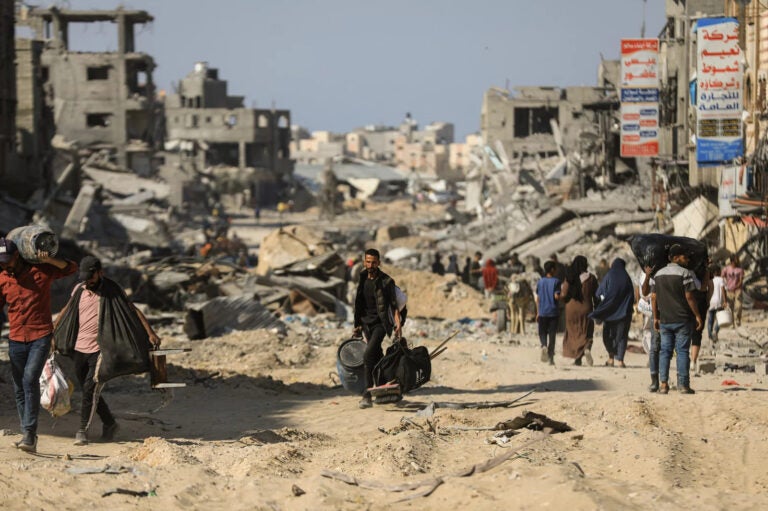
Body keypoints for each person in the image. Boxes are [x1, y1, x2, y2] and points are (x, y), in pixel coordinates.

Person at [56, 256, 161, 445]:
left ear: (100, 273)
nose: (87, 282)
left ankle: (82, 431)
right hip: (79, 349)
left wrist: (150, 333)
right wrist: (54, 329)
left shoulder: (112, 290)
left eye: (91, 277)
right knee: (90, 391)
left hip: (101, 348)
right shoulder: (79, 289)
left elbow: (133, 310)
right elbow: (67, 309)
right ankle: (110, 423)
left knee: (90, 388)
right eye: (84, 278)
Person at [0, 237, 77, 453]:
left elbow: (71, 268)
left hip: (40, 336)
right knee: (19, 388)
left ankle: (29, 434)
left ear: (17, 256)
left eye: (7, 260)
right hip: (16, 338)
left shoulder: (40, 271)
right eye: (1, 262)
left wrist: (50, 260)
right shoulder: (2, 278)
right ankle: (28, 434)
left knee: (29, 380)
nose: (4, 265)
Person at [353, 249, 402, 409]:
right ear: (364, 262)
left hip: (380, 324)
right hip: (365, 323)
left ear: (379, 263)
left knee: (368, 356)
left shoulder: (387, 281)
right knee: (376, 355)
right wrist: (357, 324)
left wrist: (398, 324)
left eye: (374, 262)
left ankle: (366, 396)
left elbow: (394, 306)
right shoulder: (361, 277)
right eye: (368, 262)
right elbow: (359, 302)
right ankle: (384, 389)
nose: (370, 265)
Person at [652, 244, 703, 394]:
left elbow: (653, 297)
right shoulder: (685, 274)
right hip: (682, 319)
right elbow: (689, 297)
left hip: (665, 320)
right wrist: (698, 315)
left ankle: (663, 384)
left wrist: (656, 317)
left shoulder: (658, 275)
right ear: (675, 258)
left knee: (665, 352)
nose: (687, 259)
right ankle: (683, 385)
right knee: (681, 351)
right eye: (684, 256)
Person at [589, 258, 634, 368]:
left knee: (607, 335)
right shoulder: (627, 277)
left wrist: (604, 303)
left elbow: (599, 293)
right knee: (622, 336)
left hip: (610, 312)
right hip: (624, 313)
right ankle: (620, 361)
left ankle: (610, 358)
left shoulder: (609, 275)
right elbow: (632, 296)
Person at [561, 256, 598, 366]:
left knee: (573, 333)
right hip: (586, 308)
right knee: (586, 332)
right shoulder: (591, 278)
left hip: (571, 309)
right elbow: (596, 296)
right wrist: (598, 307)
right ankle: (586, 349)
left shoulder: (570, 277)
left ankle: (577, 358)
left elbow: (563, 294)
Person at [639, 266, 661, 392]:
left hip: (656, 314)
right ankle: (661, 381)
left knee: (655, 346)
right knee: (662, 347)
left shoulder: (656, 274)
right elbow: (646, 292)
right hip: (657, 313)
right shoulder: (650, 274)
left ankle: (656, 381)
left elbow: (650, 295)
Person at [535, 260, 562, 365]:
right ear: (552, 270)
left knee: (542, 332)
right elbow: (556, 296)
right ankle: (551, 358)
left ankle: (543, 345)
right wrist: (561, 297)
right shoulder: (556, 281)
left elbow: (538, 298)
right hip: (553, 312)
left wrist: (538, 312)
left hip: (542, 312)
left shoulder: (540, 282)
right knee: (552, 335)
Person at [707, 264, 727, 347]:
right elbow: (723, 289)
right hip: (719, 301)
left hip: (711, 301)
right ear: (717, 272)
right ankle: (715, 331)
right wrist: (725, 301)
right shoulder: (721, 279)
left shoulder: (709, 280)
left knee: (710, 320)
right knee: (719, 318)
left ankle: (710, 337)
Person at [721, 255, 744, 327]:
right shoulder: (726, 269)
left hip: (737, 290)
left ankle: (737, 320)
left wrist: (736, 287)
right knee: (730, 307)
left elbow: (741, 281)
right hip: (729, 290)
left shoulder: (740, 270)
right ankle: (732, 323)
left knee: (738, 306)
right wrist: (725, 285)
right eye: (736, 260)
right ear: (732, 261)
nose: (738, 261)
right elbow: (722, 277)